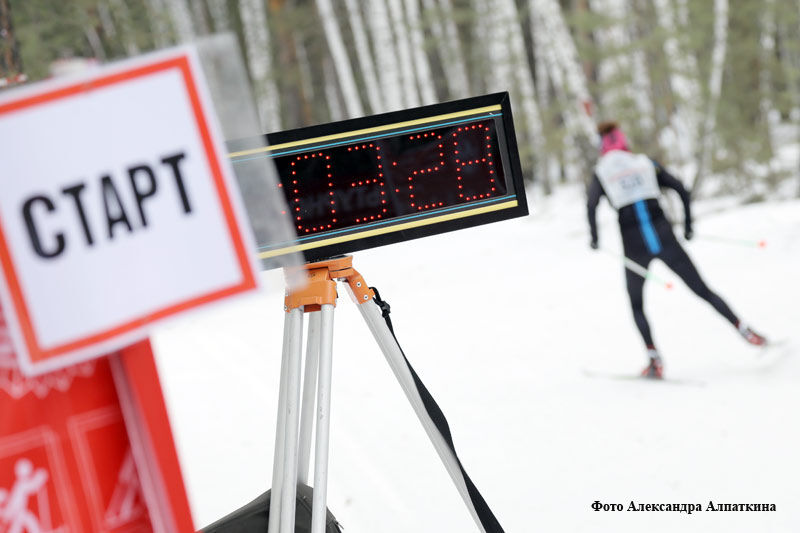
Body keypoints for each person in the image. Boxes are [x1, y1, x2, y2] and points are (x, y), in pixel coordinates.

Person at [586, 121, 767, 379]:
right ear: (623, 141)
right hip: (665, 238)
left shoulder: (602, 172)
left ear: (602, 146)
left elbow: (591, 205)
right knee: (703, 290)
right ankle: (745, 330)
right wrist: (688, 226)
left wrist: (594, 238)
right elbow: (681, 188)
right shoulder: (645, 163)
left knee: (637, 304)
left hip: (634, 247)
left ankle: (654, 359)